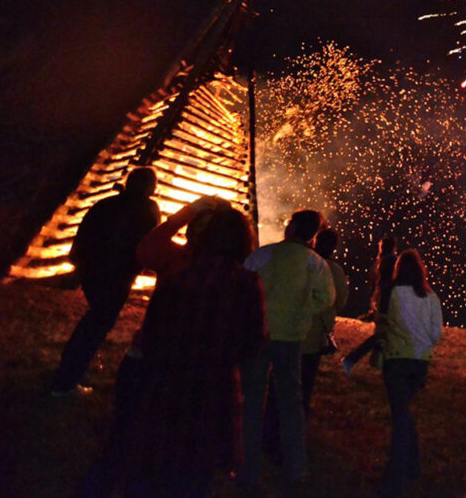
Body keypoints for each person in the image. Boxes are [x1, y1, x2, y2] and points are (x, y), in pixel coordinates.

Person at [122, 207, 266, 496]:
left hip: (165, 384)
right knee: (195, 474)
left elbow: (151, 335)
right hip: (213, 390)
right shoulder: (246, 284)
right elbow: (254, 342)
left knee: (154, 467)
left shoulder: (178, 276)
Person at [239, 209, 335, 486]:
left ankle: (247, 466)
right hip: (291, 339)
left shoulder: (264, 254)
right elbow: (326, 299)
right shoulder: (315, 264)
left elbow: (243, 284)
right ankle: (296, 467)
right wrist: (303, 312)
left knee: (252, 400)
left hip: (258, 335)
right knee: (291, 403)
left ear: (291, 228)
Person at [52, 167, 160, 395]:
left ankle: (68, 372)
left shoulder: (106, 204)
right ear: (150, 187)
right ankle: (66, 380)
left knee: (94, 321)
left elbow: (83, 234)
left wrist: (80, 265)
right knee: (96, 325)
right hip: (117, 277)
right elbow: (149, 244)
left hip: (92, 272)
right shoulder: (148, 210)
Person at [379, 248, 443, 495]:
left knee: (400, 416)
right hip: (419, 362)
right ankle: (413, 468)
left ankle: (395, 477)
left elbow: (388, 323)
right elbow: (436, 333)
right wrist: (423, 344)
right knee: (404, 412)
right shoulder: (431, 297)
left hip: (396, 359)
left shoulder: (392, 293)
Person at [300, 227, 349, 412]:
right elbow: (340, 301)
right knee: (306, 382)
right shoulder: (336, 271)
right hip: (315, 336)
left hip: (289, 330)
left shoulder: (301, 262)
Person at [341, 236, 397, 375]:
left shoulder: (379, 263)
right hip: (387, 303)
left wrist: (373, 303)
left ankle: (377, 363)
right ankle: (351, 359)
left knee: (383, 335)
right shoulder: (392, 262)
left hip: (380, 302)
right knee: (382, 336)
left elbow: (374, 285)